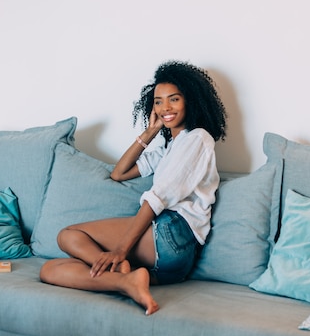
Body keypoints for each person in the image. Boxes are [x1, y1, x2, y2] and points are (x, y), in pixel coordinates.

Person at [39, 60, 227, 315]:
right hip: (171, 264)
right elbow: (120, 173)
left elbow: (159, 197)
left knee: (68, 236)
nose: (165, 108)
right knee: (50, 271)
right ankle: (125, 280)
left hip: (175, 233)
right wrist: (149, 133)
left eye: (174, 99)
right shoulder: (168, 147)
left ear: (190, 101)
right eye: (158, 101)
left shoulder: (197, 139)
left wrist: (120, 250)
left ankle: (121, 271)